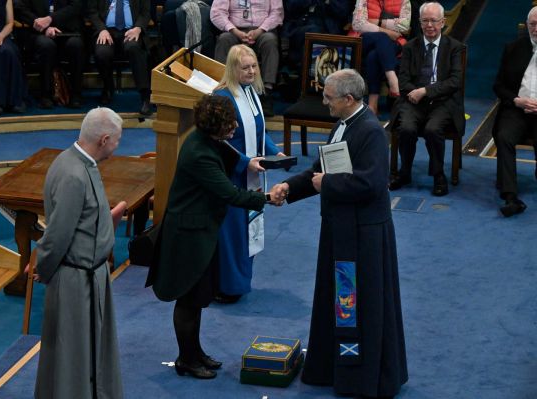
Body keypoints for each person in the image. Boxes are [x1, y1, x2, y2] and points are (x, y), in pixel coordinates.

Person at [271, 69, 407, 398]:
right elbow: (320, 169)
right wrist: (289, 187)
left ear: (348, 99)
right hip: (342, 230)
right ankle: (332, 369)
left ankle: (360, 380)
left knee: (356, 306)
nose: (324, 102)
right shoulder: (343, 125)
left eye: (329, 97)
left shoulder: (371, 132)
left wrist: (326, 184)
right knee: (341, 303)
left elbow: (371, 184)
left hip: (362, 238)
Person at [146, 95, 283, 379]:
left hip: (199, 231)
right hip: (187, 237)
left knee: (196, 299)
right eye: (228, 123)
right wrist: (267, 198)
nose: (234, 126)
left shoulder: (208, 141)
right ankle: (186, 359)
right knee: (188, 299)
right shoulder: (200, 154)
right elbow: (230, 194)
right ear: (214, 126)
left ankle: (195, 352)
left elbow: (234, 159)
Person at [33, 107, 124, 398]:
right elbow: (58, 234)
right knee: (73, 358)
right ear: (104, 139)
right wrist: (43, 269)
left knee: (85, 354)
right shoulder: (74, 174)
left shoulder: (78, 163)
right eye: (117, 140)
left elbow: (83, 222)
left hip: (89, 276)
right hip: (76, 281)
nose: (117, 146)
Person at [213, 44, 283, 303]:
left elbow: (258, 129)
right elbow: (219, 141)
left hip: (251, 176)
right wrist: (245, 162)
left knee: (248, 231)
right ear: (233, 69)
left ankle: (240, 283)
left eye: (254, 66)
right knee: (232, 234)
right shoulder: (223, 97)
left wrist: (275, 152)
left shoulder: (250, 92)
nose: (252, 71)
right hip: (232, 176)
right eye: (246, 67)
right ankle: (227, 287)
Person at [389, 1, 465, 197]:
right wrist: (415, 93)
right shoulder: (410, 47)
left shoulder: (455, 47)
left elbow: (455, 81)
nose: (429, 25)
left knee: (433, 129)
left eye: (434, 21)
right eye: (425, 21)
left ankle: (439, 175)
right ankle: (404, 171)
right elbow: (403, 79)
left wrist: (426, 91)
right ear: (420, 22)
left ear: (443, 22)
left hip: (442, 101)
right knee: (406, 128)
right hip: (413, 101)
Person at [492, 6, 537, 217]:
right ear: (527, 26)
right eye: (533, 24)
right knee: (504, 136)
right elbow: (498, 86)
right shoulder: (513, 48)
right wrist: (517, 100)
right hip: (517, 108)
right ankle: (510, 195)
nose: (536, 28)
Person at [210, 0, 283, 116]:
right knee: (224, 39)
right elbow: (217, 12)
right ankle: (223, 91)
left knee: (270, 41)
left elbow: (277, 13)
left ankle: (265, 92)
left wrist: (260, 30)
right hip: (234, 30)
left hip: (262, 31)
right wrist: (234, 30)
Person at [14, 0, 85, 109]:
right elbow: (19, 8)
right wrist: (42, 26)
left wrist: (50, 19)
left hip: (66, 29)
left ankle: (76, 94)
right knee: (46, 45)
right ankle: (45, 95)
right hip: (38, 31)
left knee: (76, 45)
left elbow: (76, 7)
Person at [87, 0, 153, 115]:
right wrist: (101, 29)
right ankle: (107, 87)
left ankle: (145, 96)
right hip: (106, 31)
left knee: (134, 48)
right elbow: (92, 12)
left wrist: (138, 28)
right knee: (102, 53)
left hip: (131, 30)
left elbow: (146, 12)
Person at [349, 0, 411, 114]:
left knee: (374, 56)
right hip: (365, 40)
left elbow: (405, 26)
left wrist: (376, 22)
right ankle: (393, 80)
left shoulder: (404, 1)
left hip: (394, 42)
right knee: (381, 37)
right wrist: (387, 30)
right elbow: (358, 24)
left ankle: (373, 105)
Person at [282, 0, 353, 70]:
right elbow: (291, 6)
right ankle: (307, 75)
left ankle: (306, 75)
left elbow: (342, 11)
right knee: (314, 32)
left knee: (316, 34)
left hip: (329, 30)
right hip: (301, 27)